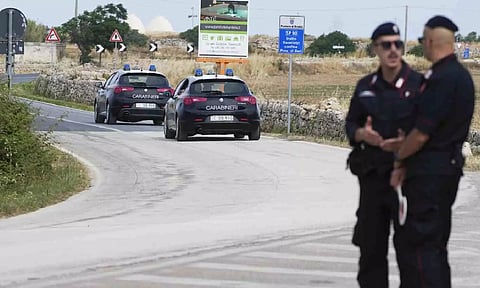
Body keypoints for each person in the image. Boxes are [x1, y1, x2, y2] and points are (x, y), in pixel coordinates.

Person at [385, 15, 475, 288]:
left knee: (423, 248)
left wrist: (400, 159)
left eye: (423, 39)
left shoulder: (445, 78)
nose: (422, 45)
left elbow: (423, 132)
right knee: (428, 246)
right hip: (438, 171)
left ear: (433, 41)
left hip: (430, 175)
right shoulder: (452, 76)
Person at [345, 22, 423, 288]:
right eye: (386, 45)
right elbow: (351, 125)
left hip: (408, 181)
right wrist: (362, 135)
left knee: (411, 254)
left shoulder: (418, 85)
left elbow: (431, 128)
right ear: (375, 49)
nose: (393, 50)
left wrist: (407, 143)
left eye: (398, 44)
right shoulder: (366, 86)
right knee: (371, 252)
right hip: (373, 179)